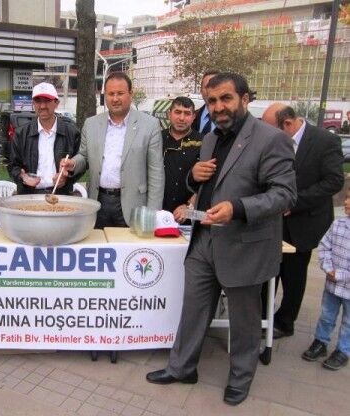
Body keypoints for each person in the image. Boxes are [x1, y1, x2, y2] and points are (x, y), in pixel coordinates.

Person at [146, 73, 296, 406]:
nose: (218, 107)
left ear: (245, 99)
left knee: (243, 321)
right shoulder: (211, 139)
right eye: (212, 101)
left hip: (244, 244)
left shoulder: (271, 139)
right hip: (204, 239)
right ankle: (182, 368)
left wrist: (238, 208)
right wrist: (192, 177)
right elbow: (206, 185)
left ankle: (240, 379)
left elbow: (285, 194)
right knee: (193, 310)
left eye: (226, 98)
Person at [261, 103, 345, 339]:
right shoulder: (275, 142)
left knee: (294, 275)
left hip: (303, 222)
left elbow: (333, 181)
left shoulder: (325, 141)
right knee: (268, 271)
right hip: (273, 220)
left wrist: (294, 203)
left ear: (287, 124)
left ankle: (285, 322)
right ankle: (262, 318)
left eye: (270, 129)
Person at [61, 72, 164, 228]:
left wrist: (152, 213)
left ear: (130, 94)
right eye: (111, 94)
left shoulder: (150, 125)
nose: (115, 99)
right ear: (105, 96)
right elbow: (84, 155)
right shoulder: (91, 124)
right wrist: (73, 163)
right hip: (98, 201)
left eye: (120, 93)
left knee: (129, 244)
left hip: (133, 205)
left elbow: (156, 173)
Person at [301, 188, 349, 370]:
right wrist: (328, 268)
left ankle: (343, 350)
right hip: (332, 286)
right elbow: (324, 245)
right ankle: (320, 342)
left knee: (348, 323)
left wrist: (340, 275)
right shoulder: (338, 224)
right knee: (326, 315)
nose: (346, 202)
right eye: (347, 197)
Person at [8, 82, 80, 195]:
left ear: (56, 103)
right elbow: (13, 166)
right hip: (30, 195)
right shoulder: (21, 133)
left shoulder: (71, 133)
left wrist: (67, 177)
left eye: (47, 101)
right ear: (33, 103)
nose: (42, 106)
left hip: (60, 195)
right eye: (38, 101)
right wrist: (23, 176)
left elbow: (80, 164)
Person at [161, 96, 202, 223]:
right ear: (169, 114)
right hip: (158, 214)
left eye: (187, 113)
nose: (182, 118)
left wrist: (189, 207)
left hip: (189, 217)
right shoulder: (157, 139)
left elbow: (209, 184)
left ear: (194, 117)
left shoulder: (204, 142)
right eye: (177, 112)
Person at [192, 70, 218, 136]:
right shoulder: (192, 117)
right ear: (201, 90)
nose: (210, 91)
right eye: (207, 87)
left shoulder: (233, 118)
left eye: (215, 86)